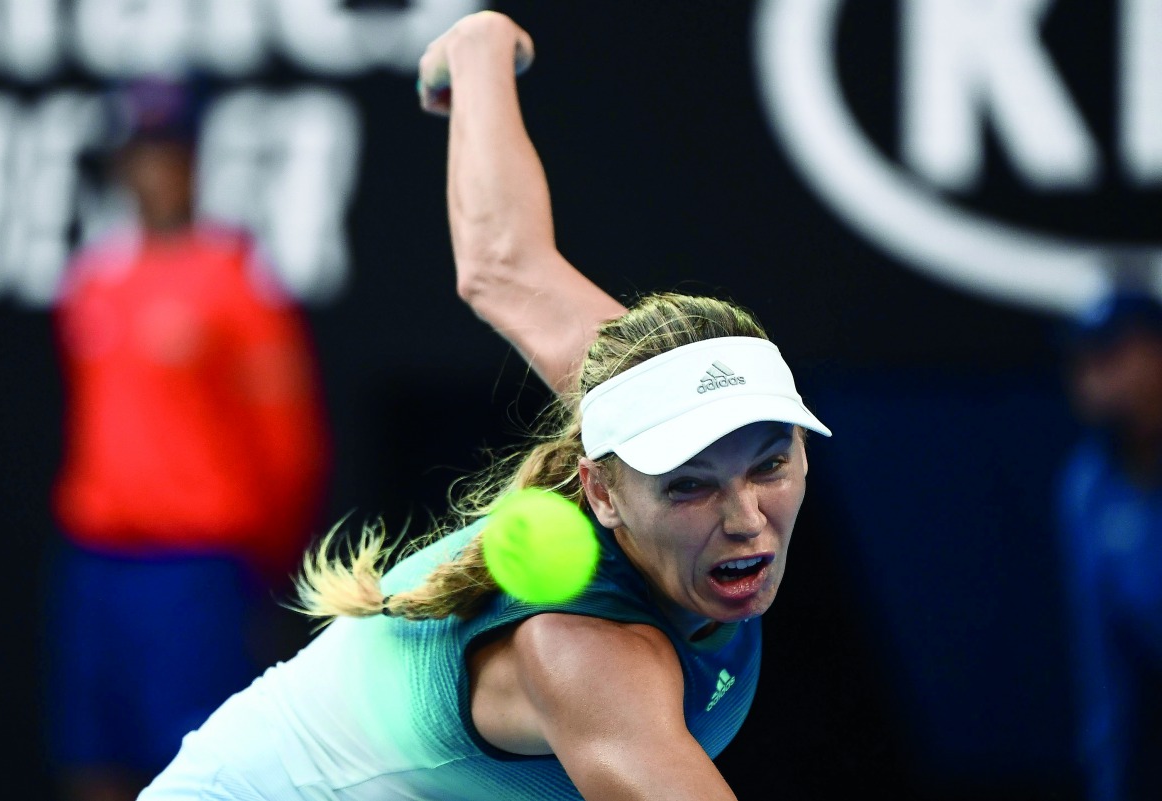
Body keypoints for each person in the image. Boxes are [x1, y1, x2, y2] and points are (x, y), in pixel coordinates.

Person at [138, 12, 831, 801]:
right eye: (690, 484)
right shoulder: (587, 657)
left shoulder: (635, 398)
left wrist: (480, 54)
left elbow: (503, 264)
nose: (745, 515)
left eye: (769, 462)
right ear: (603, 491)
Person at [46, 76, 331, 801]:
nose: (155, 174)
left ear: (195, 161)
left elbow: (287, 442)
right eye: (140, 156)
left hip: (194, 569)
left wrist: (264, 564)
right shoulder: (91, 279)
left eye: (169, 154)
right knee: (92, 753)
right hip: (97, 563)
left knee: (199, 763)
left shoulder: (238, 279)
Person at [1055, 287, 1162, 801]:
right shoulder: (1085, 487)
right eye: (1085, 358)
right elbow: (1105, 669)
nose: (1093, 375)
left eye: (1114, 354)